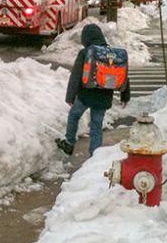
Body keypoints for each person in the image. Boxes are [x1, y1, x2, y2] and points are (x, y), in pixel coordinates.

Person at [55, 23, 130, 156]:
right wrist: (125, 95)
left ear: (86, 39)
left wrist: (70, 96)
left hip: (85, 95)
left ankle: (69, 143)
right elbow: (123, 75)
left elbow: (76, 75)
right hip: (104, 97)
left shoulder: (86, 52)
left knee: (74, 115)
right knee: (96, 126)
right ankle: (95, 156)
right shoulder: (112, 55)